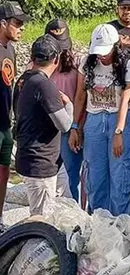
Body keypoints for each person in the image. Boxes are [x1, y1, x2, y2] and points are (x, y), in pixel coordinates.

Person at [70, 23, 130, 216]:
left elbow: (126, 99)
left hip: (120, 118)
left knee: (121, 174)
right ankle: (99, 221)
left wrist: (119, 132)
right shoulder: (87, 63)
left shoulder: (127, 64)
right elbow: (80, 96)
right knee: (96, 173)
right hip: (94, 120)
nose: (102, 55)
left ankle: (122, 225)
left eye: (106, 51)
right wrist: (75, 126)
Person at [13, 35, 73, 215]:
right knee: (41, 219)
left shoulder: (23, 80)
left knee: (66, 206)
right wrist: (68, 105)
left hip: (41, 158)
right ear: (56, 59)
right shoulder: (45, 86)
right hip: (41, 162)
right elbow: (65, 125)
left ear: (32, 58)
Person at [44, 19, 82, 202]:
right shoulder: (37, 66)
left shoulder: (76, 66)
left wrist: (76, 127)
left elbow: (80, 98)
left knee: (72, 175)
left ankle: (75, 214)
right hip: (45, 129)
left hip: (68, 128)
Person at [0, 1, 30, 225]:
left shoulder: (9, 48)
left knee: (3, 172)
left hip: (4, 121)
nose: (22, 27)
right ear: (3, 23)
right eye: (17, 23)